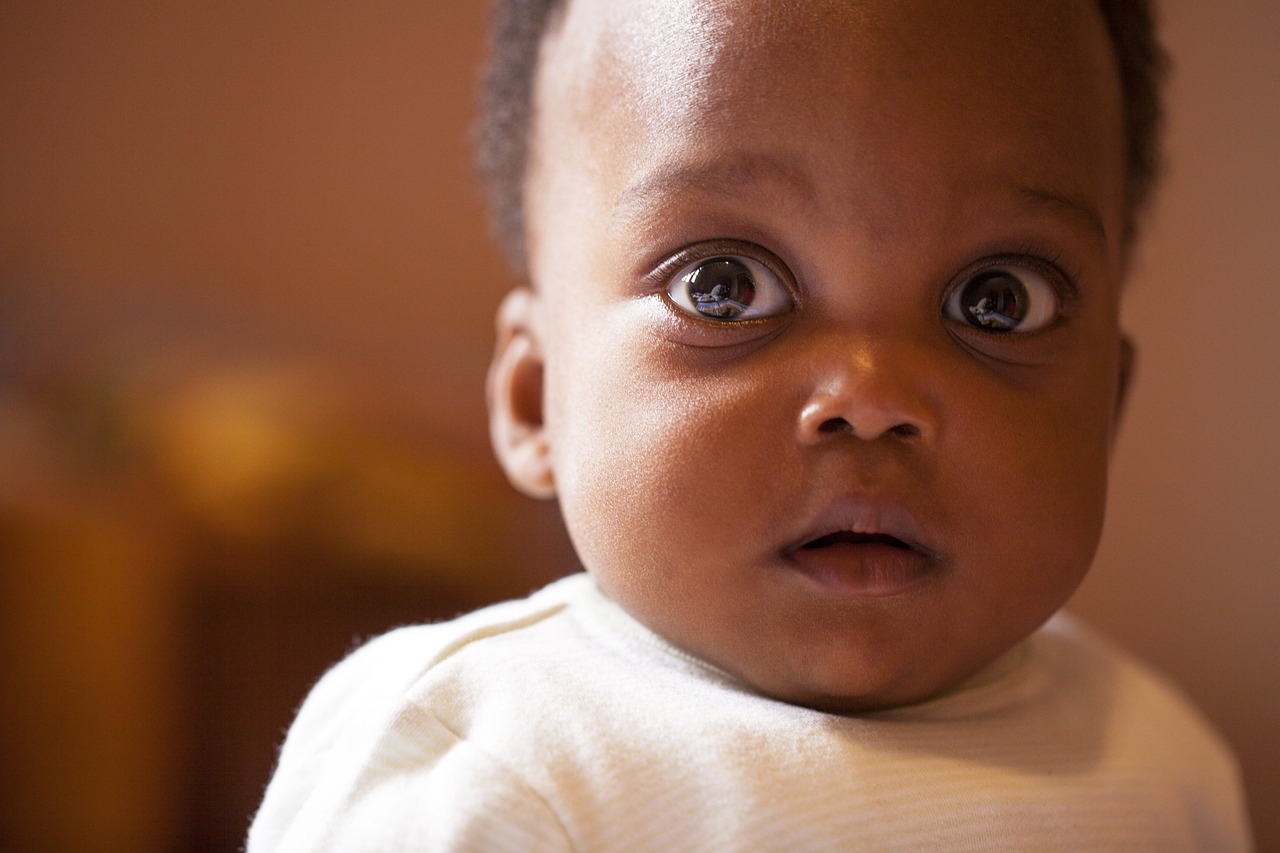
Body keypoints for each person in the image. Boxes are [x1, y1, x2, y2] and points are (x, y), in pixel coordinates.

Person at [248, 0, 1253, 849]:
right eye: (722, 287)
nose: (871, 393)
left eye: (996, 300)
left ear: (1105, 410)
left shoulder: (1163, 760)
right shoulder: (489, 760)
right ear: (533, 396)